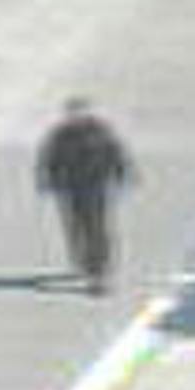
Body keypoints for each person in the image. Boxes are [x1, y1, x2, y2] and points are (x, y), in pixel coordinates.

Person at [36, 98, 135, 295]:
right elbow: (49, 158)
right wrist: (47, 179)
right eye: (72, 114)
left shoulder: (100, 131)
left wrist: (122, 173)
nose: (75, 117)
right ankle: (82, 262)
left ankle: (99, 269)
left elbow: (116, 153)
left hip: (96, 185)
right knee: (75, 226)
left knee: (97, 226)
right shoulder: (60, 135)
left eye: (79, 113)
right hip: (71, 187)